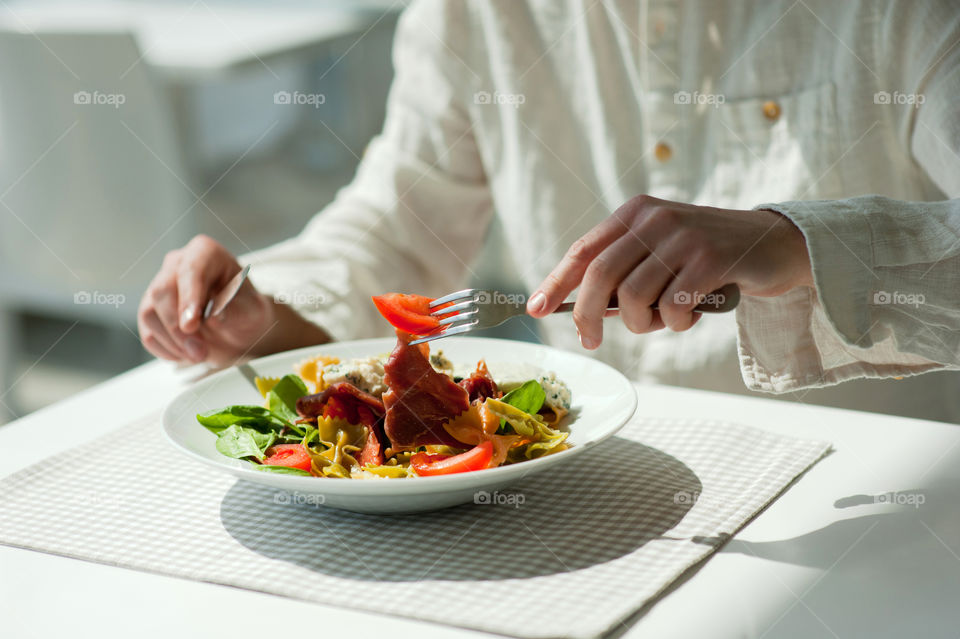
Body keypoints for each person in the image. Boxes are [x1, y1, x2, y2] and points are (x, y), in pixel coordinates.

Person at [138, 1, 960, 422]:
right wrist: (263, 312)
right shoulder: (472, 14)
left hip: (886, 495)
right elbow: (391, 230)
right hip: (597, 488)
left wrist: (789, 242)